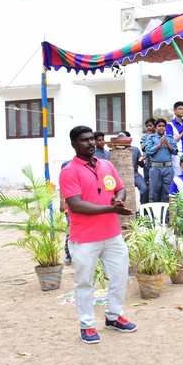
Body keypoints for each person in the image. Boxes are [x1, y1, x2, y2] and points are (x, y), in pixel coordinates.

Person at [59, 125, 137, 344]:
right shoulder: (69, 171)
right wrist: (111, 209)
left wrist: (118, 200)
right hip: (85, 238)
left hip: (112, 235)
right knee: (85, 283)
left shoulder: (106, 164)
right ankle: (87, 325)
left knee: (120, 276)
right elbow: (76, 205)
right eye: (84, 140)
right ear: (74, 144)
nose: (91, 143)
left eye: (91, 139)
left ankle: (114, 316)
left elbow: (119, 188)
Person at [146, 118, 177, 203]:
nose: (161, 128)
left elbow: (175, 152)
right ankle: (154, 211)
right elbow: (147, 152)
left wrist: (167, 143)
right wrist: (159, 145)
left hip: (168, 168)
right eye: (159, 126)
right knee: (154, 192)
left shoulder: (170, 138)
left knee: (168, 192)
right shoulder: (152, 138)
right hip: (155, 168)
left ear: (165, 127)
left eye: (163, 126)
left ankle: (167, 211)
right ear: (155, 128)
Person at [121, 131, 148, 204]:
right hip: (122, 174)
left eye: (124, 138)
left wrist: (141, 161)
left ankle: (142, 206)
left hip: (134, 173)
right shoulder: (117, 150)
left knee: (144, 188)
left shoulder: (135, 149)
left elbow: (141, 165)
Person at [166, 101, 183, 176]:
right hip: (176, 153)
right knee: (178, 175)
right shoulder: (170, 124)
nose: (182, 111)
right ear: (174, 111)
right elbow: (171, 141)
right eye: (180, 109)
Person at [59, 160, 72, 266]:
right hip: (70, 205)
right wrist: (62, 202)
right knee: (71, 230)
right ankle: (68, 255)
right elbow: (62, 185)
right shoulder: (67, 165)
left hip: (85, 205)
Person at [141, 117, 156, 189]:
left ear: (154, 126)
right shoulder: (144, 137)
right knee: (147, 182)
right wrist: (149, 139)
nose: (148, 127)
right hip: (148, 162)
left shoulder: (158, 136)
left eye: (150, 125)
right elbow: (143, 149)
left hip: (156, 162)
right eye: (147, 126)